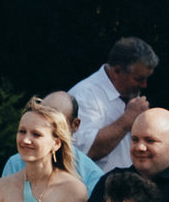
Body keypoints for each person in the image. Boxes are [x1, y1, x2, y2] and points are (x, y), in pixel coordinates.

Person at [65, 37, 158, 173]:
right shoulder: (84, 96)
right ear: (117, 72)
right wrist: (127, 120)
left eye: (146, 79)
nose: (144, 85)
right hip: (95, 190)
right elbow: (85, 152)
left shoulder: (129, 93)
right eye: (138, 79)